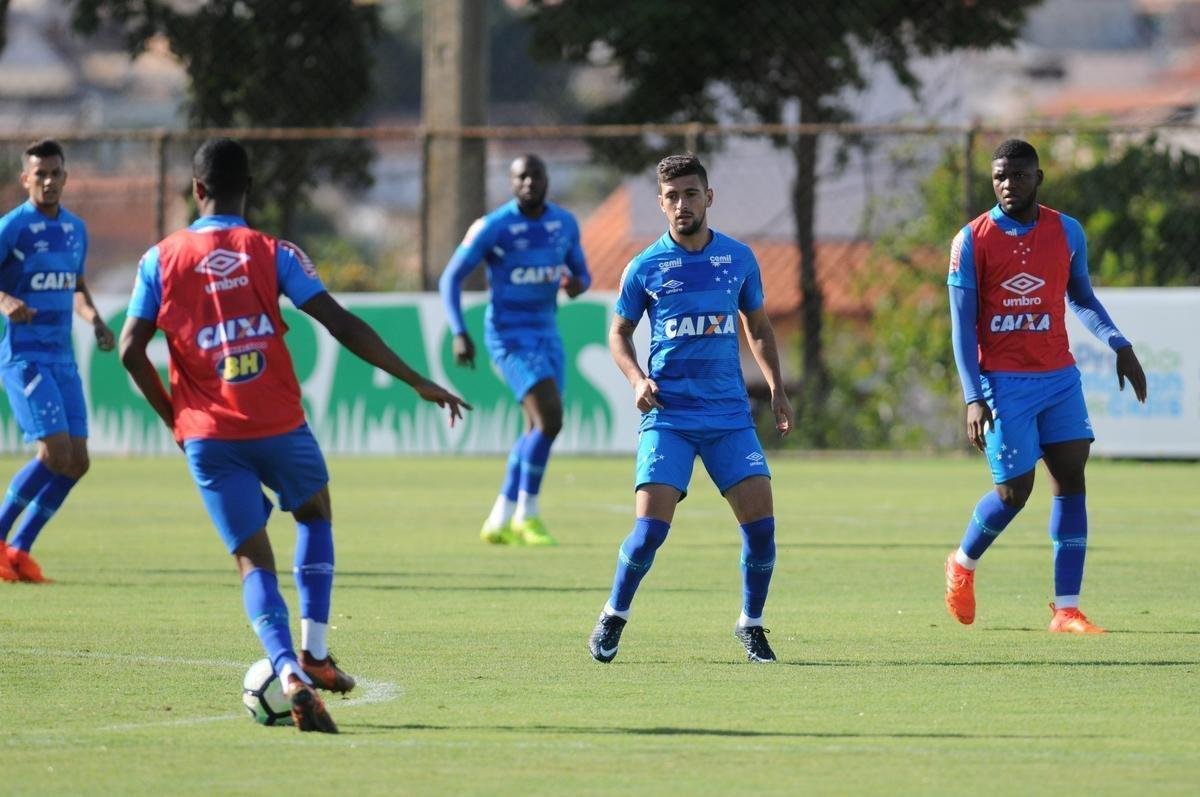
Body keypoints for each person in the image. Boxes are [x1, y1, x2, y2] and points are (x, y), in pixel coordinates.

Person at [119, 138, 470, 733]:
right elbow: (339, 322)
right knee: (313, 511)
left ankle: (287, 672)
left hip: (207, 432)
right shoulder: (274, 251)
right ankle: (315, 650)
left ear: (197, 190)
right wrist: (416, 380)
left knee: (252, 557)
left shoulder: (159, 259)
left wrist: (177, 418)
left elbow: (130, 349)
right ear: (246, 189)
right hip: (278, 422)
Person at [587, 153, 793, 664]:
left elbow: (759, 328)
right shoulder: (645, 267)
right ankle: (615, 613)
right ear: (661, 203)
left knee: (762, 531)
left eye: (691, 194)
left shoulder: (738, 259)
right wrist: (636, 379)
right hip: (669, 416)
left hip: (728, 417)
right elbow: (617, 334)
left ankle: (752, 623)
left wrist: (776, 389)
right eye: (672, 197)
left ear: (709, 197)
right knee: (649, 532)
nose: (682, 204)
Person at [944, 138, 1148, 634]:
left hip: (1058, 377)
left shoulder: (1067, 231)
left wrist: (1119, 344)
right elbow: (961, 325)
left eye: (1017, 175)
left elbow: (1081, 297)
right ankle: (962, 564)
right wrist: (973, 395)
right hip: (1002, 382)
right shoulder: (971, 239)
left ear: (1039, 177)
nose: (1008, 184)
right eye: (999, 177)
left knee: (1071, 476)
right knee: (1014, 492)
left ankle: (1066, 609)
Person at [438, 154, 591, 546]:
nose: (528, 183)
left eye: (535, 176)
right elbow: (450, 279)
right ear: (511, 183)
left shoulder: (564, 224)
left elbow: (582, 273)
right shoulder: (494, 227)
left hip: (547, 333)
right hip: (508, 336)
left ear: (546, 180)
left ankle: (499, 517)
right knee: (551, 421)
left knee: (535, 428)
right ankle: (528, 514)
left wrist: (576, 284)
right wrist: (459, 331)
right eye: (521, 177)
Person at [0, 139, 114, 584]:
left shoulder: (75, 230)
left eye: (55, 173)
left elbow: (77, 285)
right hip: (26, 357)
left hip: (62, 357)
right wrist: (6, 298)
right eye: (39, 174)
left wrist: (96, 321)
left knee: (78, 460)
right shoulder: (13, 226)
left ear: (65, 177)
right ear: (25, 179)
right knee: (53, 452)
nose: (48, 181)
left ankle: (19, 552)